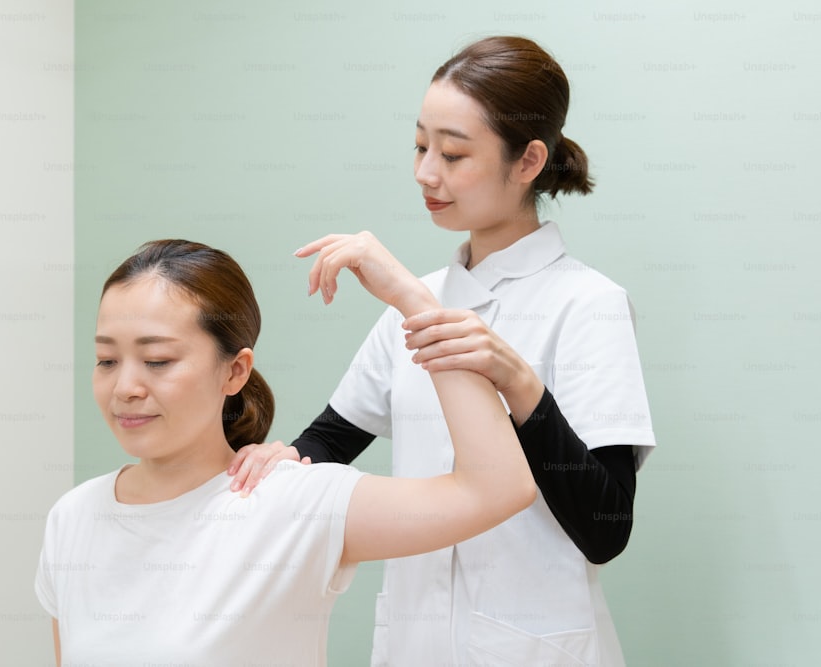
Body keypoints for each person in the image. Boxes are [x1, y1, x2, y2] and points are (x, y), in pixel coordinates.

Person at [228, 36, 656, 666]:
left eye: (454, 153)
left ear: (529, 161)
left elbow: (605, 530)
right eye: (421, 146)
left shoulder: (588, 304)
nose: (427, 173)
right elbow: (329, 443)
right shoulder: (419, 300)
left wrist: (517, 380)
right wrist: (280, 460)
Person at [34, 237, 536, 666]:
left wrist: (416, 301)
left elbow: (497, 487)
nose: (125, 387)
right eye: (105, 359)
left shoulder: (288, 504)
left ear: (235, 371)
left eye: (157, 360)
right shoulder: (73, 518)